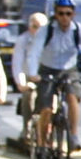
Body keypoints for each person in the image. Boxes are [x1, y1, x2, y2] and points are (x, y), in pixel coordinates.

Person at [26, 0, 81, 155]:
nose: (64, 17)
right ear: (55, 14)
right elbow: (34, 52)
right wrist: (33, 73)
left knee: (72, 97)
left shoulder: (79, 30)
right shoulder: (46, 30)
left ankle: (73, 136)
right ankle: (42, 144)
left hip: (68, 69)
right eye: (61, 14)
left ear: (73, 14)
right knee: (45, 108)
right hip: (47, 69)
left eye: (68, 13)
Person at [11, 12, 49, 141]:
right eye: (34, 26)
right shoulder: (23, 40)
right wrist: (21, 82)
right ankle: (26, 127)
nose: (37, 30)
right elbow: (18, 62)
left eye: (41, 27)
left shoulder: (50, 40)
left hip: (46, 76)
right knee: (28, 95)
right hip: (29, 76)